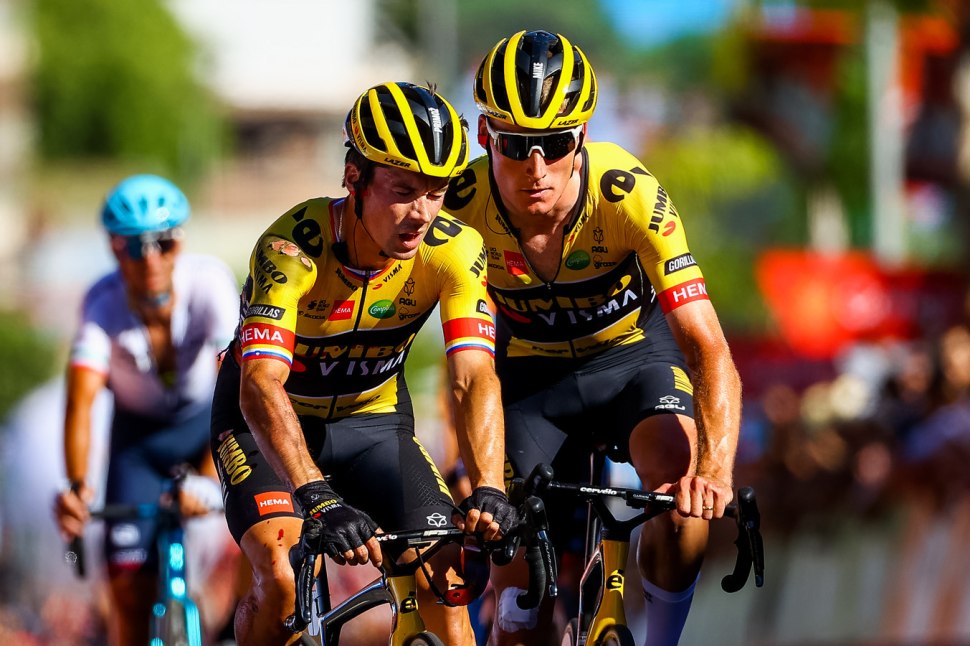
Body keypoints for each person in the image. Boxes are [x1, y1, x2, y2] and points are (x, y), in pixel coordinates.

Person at [444, 30, 743, 646]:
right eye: (515, 145)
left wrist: (713, 473)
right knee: (519, 610)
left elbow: (707, 346)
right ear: (484, 136)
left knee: (678, 496)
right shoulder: (457, 208)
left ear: (581, 137)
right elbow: (454, 362)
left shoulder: (628, 193)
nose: (536, 169)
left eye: (555, 144)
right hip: (532, 380)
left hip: (633, 359)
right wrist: (465, 464)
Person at [209, 81, 517, 646]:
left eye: (437, 192)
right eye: (403, 190)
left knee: (447, 578)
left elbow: (474, 375)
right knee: (280, 575)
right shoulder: (291, 249)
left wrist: (491, 486)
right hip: (266, 422)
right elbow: (260, 383)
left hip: (372, 422)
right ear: (354, 177)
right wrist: (315, 494)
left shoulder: (454, 250)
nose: (421, 213)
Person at [53, 174, 242, 646]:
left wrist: (209, 475)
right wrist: (76, 486)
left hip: (209, 424)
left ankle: (230, 630)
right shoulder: (101, 303)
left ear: (182, 241)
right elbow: (80, 401)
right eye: (134, 247)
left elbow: (237, 387)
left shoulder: (210, 282)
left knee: (268, 544)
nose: (151, 258)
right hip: (137, 443)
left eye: (164, 242)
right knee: (128, 594)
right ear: (114, 250)